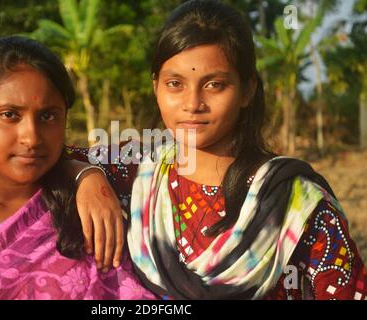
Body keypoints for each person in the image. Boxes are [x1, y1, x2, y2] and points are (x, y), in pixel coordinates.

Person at [67, 0, 366, 299]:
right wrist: (86, 175)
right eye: (175, 83)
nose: (193, 103)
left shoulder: (294, 202)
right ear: (156, 87)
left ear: (247, 89)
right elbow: (40, 156)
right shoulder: (132, 169)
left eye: (214, 85)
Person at [0, 35, 155, 300]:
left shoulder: (90, 213)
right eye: (9, 115)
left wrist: (88, 173)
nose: (31, 137)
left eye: (48, 116)